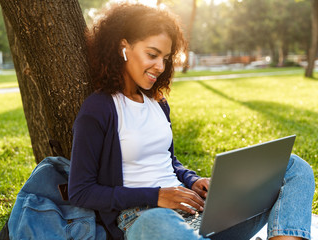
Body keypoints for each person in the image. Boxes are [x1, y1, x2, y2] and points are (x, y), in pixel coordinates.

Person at [68, 3, 315, 240]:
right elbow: (81, 192)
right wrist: (157, 196)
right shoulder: (99, 108)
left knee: (291, 166)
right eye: (152, 55)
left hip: (196, 212)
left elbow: (167, 160)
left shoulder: (157, 102)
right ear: (123, 47)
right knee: (158, 224)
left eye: (165, 57)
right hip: (145, 219)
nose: (160, 66)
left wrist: (192, 180)